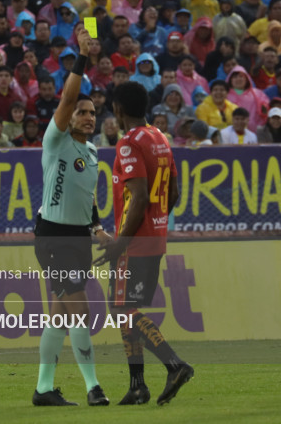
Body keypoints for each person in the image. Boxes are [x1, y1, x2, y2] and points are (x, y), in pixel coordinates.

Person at [95, 81, 194, 406]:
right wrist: (156, 222)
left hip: (134, 241)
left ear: (118, 109)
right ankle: (137, 386)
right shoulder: (160, 138)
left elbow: (138, 197)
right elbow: (174, 192)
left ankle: (174, 364)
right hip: (155, 238)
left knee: (121, 310)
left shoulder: (128, 143)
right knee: (127, 309)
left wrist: (120, 243)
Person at [31, 27, 108, 407]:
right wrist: (83, 56)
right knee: (81, 310)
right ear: (69, 116)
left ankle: (43, 390)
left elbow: (86, 196)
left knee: (59, 317)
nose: (88, 117)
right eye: (82, 112)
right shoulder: (56, 141)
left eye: (92, 113)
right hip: (53, 238)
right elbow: (67, 97)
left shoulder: (92, 152)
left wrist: (97, 227)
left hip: (78, 239)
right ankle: (93, 388)